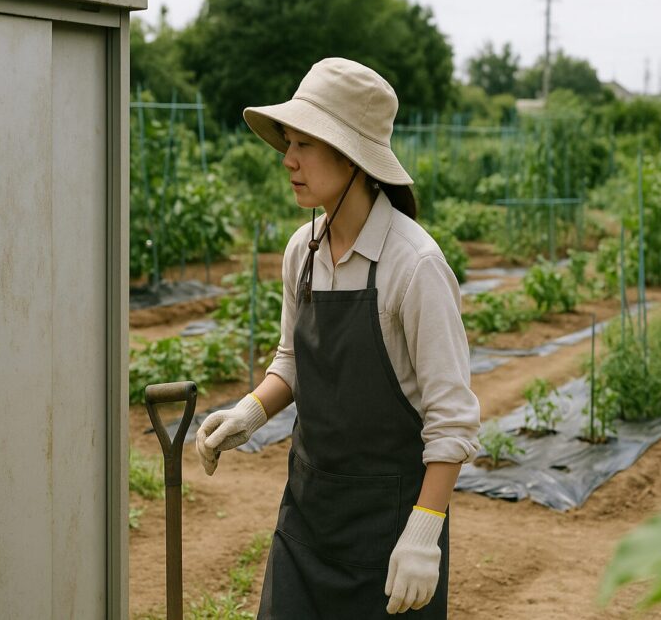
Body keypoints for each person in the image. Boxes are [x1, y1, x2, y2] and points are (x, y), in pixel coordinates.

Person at [196, 57, 481, 618]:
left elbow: (452, 420)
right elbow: (292, 360)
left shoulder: (414, 265)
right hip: (306, 517)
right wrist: (250, 412)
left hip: (389, 536)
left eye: (304, 143)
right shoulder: (302, 252)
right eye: (288, 142)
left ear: (351, 155)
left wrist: (423, 534)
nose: (288, 159)